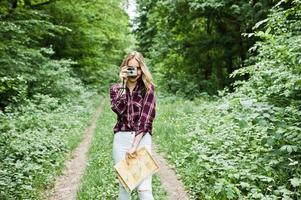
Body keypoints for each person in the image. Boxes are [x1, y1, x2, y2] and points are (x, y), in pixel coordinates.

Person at [110, 51, 156, 200]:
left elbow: (145, 119)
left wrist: (134, 146)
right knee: (124, 186)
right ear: (124, 68)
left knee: (144, 189)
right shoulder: (116, 89)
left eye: (137, 68)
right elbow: (119, 110)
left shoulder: (148, 89)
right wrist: (123, 84)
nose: (134, 72)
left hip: (142, 140)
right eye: (130, 68)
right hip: (121, 140)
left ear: (142, 69)